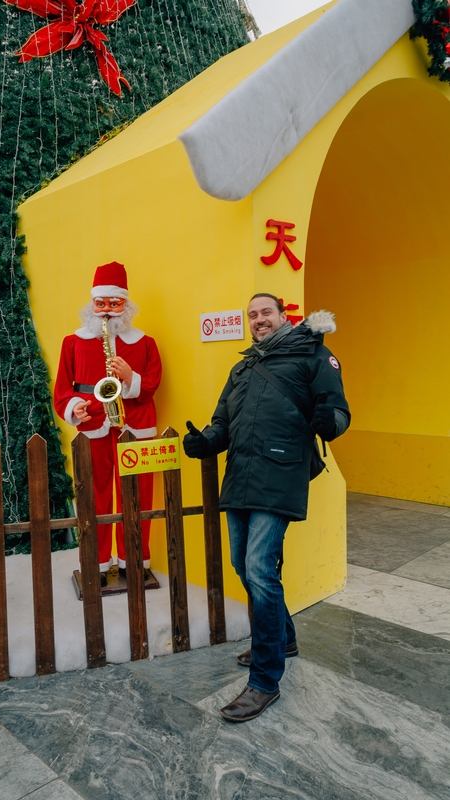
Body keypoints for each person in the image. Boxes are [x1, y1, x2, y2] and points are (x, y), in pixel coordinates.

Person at [183, 293, 350, 722]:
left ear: (283, 316)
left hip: (280, 475)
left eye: (266, 313)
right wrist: (205, 442)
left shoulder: (314, 354)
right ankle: (285, 640)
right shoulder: (242, 367)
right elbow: (222, 422)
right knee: (244, 563)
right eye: (252, 315)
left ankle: (264, 681)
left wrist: (328, 421)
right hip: (240, 476)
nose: (258, 320)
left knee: (259, 567)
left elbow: (338, 411)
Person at [54, 261, 162, 586]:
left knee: (138, 494)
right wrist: (75, 408)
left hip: (134, 424)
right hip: (94, 423)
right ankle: (97, 565)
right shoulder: (72, 342)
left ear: (126, 305)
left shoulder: (145, 342)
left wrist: (130, 378)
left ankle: (135, 562)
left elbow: (153, 383)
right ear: (92, 304)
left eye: (113, 304)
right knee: (94, 495)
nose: (106, 312)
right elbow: (63, 390)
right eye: (101, 304)